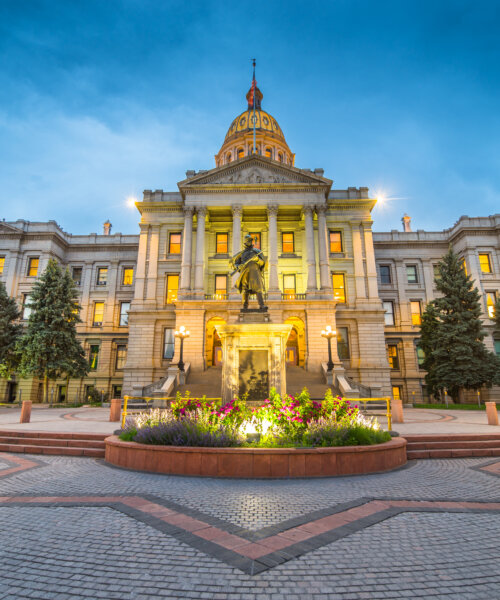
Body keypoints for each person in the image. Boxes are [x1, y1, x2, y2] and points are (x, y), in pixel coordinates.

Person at [230, 234, 266, 309]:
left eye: (250, 240)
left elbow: (263, 263)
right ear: (245, 242)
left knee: (258, 288)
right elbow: (235, 263)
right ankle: (245, 306)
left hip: (255, 273)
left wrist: (257, 260)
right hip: (245, 273)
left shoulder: (257, 252)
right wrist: (238, 266)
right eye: (248, 241)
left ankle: (261, 305)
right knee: (245, 289)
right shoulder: (241, 254)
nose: (249, 242)